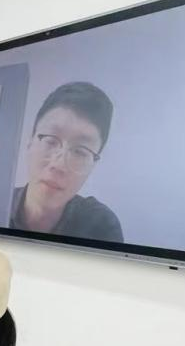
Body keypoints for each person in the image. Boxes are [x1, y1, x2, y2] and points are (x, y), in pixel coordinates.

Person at [10, 82, 122, 243]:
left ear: (93, 164)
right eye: (50, 141)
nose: (59, 165)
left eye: (80, 152)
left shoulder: (101, 226)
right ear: (30, 142)